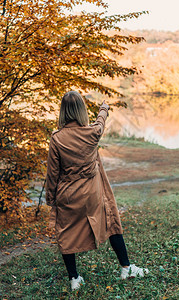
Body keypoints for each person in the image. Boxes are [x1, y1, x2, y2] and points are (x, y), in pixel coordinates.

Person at [45, 91, 149, 291]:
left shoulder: (57, 138)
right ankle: (126, 268)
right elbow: (100, 124)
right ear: (81, 110)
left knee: (66, 233)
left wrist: (51, 199)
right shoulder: (91, 133)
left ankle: (74, 279)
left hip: (68, 194)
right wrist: (103, 108)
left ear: (63, 111)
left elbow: (52, 174)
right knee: (110, 220)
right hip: (93, 192)